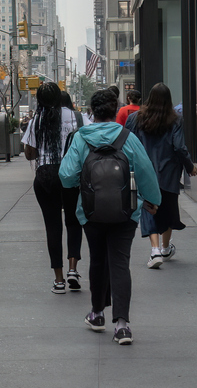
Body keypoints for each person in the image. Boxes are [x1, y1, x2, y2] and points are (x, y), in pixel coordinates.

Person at [59, 88, 161, 346]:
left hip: (91, 212)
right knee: (119, 263)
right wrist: (152, 201)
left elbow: (66, 175)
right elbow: (146, 171)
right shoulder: (127, 137)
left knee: (97, 260)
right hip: (125, 211)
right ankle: (123, 326)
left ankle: (97, 314)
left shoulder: (81, 137)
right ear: (115, 111)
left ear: (92, 112)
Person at [125, 83, 197, 268]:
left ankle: (155, 250)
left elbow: (128, 144)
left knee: (149, 207)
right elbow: (179, 147)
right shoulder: (175, 120)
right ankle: (166, 248)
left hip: (145, 170)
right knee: (168, 208)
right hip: (169, 172)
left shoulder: (135, 118)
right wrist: (190, 166)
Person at [22, 82, 84, 293]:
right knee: (74, 222)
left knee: (52, 226)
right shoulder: (76, 118)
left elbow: (30, 153)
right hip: (71, 176)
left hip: (45, 176)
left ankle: (58, 279)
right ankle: (73, 269)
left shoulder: (35, 121)